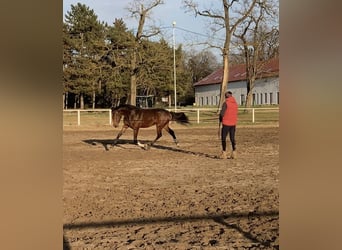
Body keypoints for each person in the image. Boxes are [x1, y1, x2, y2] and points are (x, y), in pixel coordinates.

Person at [219, 91, 238, 159]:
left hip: (226, 123)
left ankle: (224, 153)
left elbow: (222, 114)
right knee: (232, 138)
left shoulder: (225, 103)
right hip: (233, 123)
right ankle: (234, 152)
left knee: (223, 138)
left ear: (226, 96)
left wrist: (220, 119)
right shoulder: (235, 103)